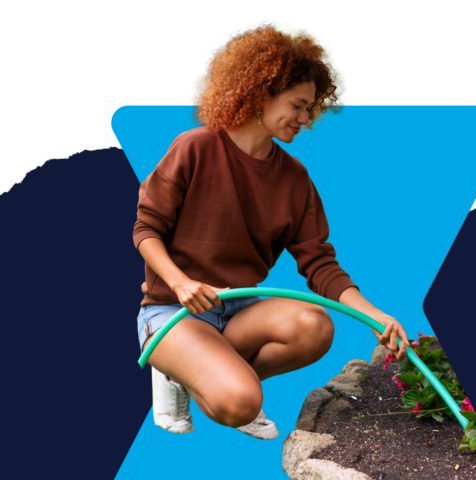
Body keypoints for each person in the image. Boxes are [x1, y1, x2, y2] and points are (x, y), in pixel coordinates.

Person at [133, 24, 409, 440]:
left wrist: (375, 315)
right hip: (175, 311)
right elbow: (146, 229)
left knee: (314, 326)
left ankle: (194, 376)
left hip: (239, 310)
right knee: (241, 404)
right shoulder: (196, 147)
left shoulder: (295, 179)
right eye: (298, 106)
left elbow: (319, 264)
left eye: (310, 110)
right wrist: (181, 282)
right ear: (261, 93)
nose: (305, 120)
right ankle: (190, 370)